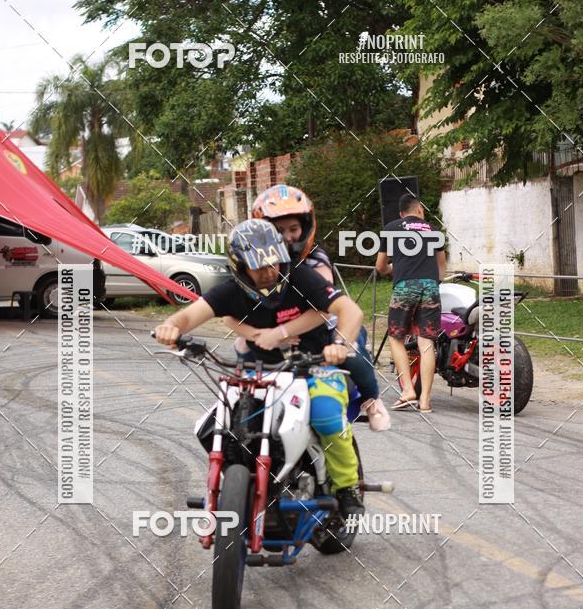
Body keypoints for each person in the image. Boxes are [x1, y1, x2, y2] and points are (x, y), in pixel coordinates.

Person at [154, 218, 365, 520]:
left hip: (314, 368)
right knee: (216, 426)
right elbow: (188, 317)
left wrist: (340, 344)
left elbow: (350, 310)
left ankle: (346, 488)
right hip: (259, 375)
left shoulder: (302, 278)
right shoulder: (230, 292)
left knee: (326, 415)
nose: (268, 272)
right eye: (258, 266)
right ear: (240, 267)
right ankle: (244, 486)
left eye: (273, 263)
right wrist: (169, 326)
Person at [225, 184, 390, 431]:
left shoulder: (315, 259)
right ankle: (249, 396)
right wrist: (261, 334)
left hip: (323, 329)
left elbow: (325, 310)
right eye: (278, 230)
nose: (288, 236)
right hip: (278, 331)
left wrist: (286, 332)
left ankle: (371, 400)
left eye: (293, 229)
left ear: (306, 226)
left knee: (353, 350)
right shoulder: (253, 262)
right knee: (240, 345)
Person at [376, 193, 446, 413]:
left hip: (405, 287)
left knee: (396, 338)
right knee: (426, 344)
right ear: (420, 210)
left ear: (401, 214)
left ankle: (408, 390)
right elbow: (441, 264)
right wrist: (436, 282)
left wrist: (391, 270)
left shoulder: (391, 227)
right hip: (430, 288)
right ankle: (425, 400)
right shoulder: (434, 230)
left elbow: (380, 266)